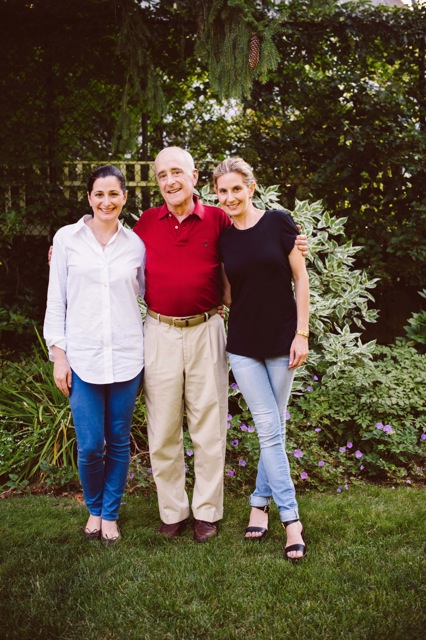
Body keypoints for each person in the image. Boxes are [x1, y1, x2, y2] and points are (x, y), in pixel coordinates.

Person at [132, 146, 309, 542]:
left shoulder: (218, 220)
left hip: (207, 328)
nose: (170, 181)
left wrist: (295, 247)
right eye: (162, 175)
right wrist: (70, 247)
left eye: (177, 172)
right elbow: (112, 254)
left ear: (194, 177)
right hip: (159, 330)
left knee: (209, 425)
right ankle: (173, 511)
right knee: (162, 426)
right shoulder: (145, 223)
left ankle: (207, 512)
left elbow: (258, 245)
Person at [44, 164, 145, 545]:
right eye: (99, 194)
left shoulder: (136, 245)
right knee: (89, 446)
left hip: (126, 356)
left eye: (114, 194)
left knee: (118, 440)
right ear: (89, 198)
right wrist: (60, 355)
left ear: (124, 198)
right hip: (82, 357)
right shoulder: (67, 240)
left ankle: (110, 514)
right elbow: (57, 301)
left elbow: (153, 291)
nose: (106, 201)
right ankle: (94, 506)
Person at [214, 157, 309, 561]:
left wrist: (302, 333)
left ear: (251, 188)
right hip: (243, 346)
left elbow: (300, 277)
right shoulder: (224, 239)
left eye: (237, 188)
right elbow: (227, 294)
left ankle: (258, 502)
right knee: (270, 427)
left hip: (284, 340)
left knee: (274, 430)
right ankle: (292, 520)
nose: (230, 197)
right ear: (216, 195)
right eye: (223, 191)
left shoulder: (279, 222)